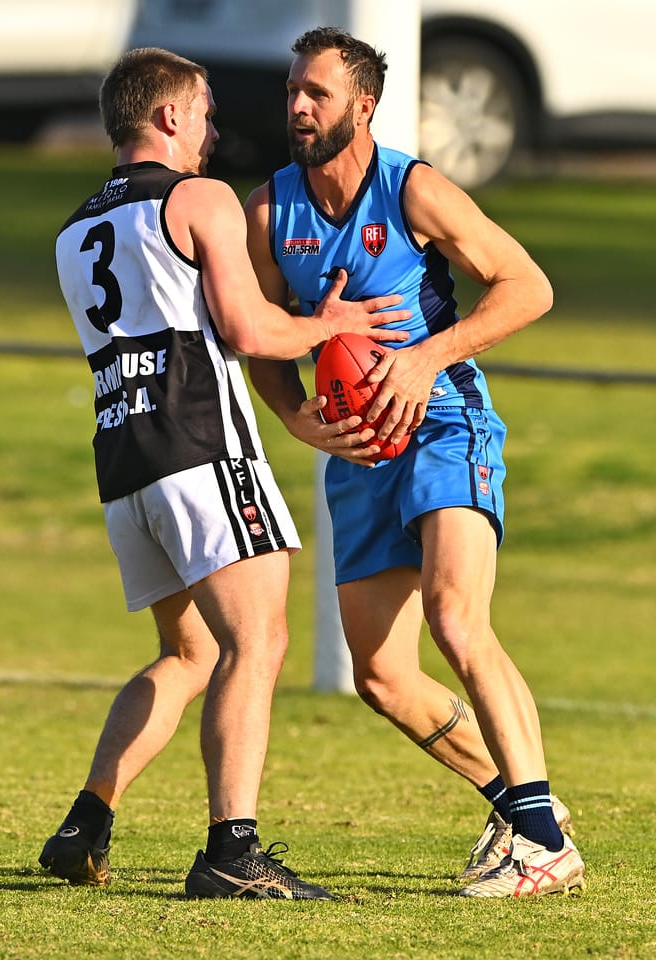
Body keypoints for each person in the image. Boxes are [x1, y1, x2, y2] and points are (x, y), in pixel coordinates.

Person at [40, 46, 410, 900]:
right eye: (205, 114)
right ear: (169, 116)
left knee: (189, 651)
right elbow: (248, 331)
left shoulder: (74, 229)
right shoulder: (198, 198)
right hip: (202, 448)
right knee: (259, 640)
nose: (212, 134)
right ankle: (231, 851)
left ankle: (86, 822)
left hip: (124, 461)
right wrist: (331, 324)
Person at [244, 27, 584, 898]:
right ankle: (522, 805)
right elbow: (260, 336)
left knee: (456, 619)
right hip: (358, 449)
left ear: (363, 106)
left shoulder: (413, 189)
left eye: (317, 93)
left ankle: (545, 846)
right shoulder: (269, 212)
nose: (298, 107)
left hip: (445, 423)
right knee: (383, 677)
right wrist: (294, 417)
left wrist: (426, 358)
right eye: (293, 91)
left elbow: (530, 286)